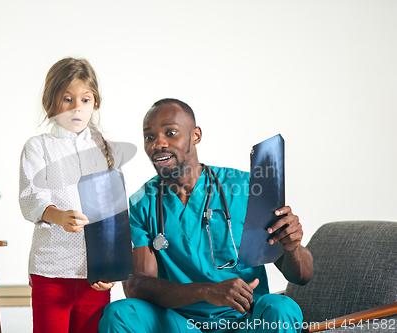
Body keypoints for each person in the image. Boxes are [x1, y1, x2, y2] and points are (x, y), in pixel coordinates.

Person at [99, 98, 314, 333]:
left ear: (196, 135)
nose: (158, 143)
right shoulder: (142, 204)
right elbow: (136, 285)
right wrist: (206, 291)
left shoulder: (247, 189)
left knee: (281, 307)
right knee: (120, 314)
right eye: (149, 137)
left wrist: (293, 247)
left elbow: (302, 275)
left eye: (170, 133)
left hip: (246, 321)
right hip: (181, 324)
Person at [19, 57, 128, 333]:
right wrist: (59, 216)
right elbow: (30, 198)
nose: (76, 108)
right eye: (67, 99)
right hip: (51, 271)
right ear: (51, 101)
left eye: (85, 100)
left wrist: (112, 269)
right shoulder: (38, 147)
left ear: (95, 104)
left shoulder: (105, 151)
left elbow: (112, 216)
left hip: (95, 276)